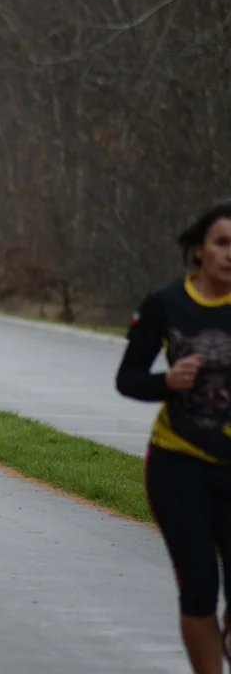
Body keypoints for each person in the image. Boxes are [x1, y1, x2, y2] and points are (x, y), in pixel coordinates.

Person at [115, 201, 231, 674]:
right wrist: (167, 381)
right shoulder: (166, 303)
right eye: (222, 242)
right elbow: (128, 379)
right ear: (200, 249)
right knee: (200, 586)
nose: (230, 253)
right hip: (178, 465)